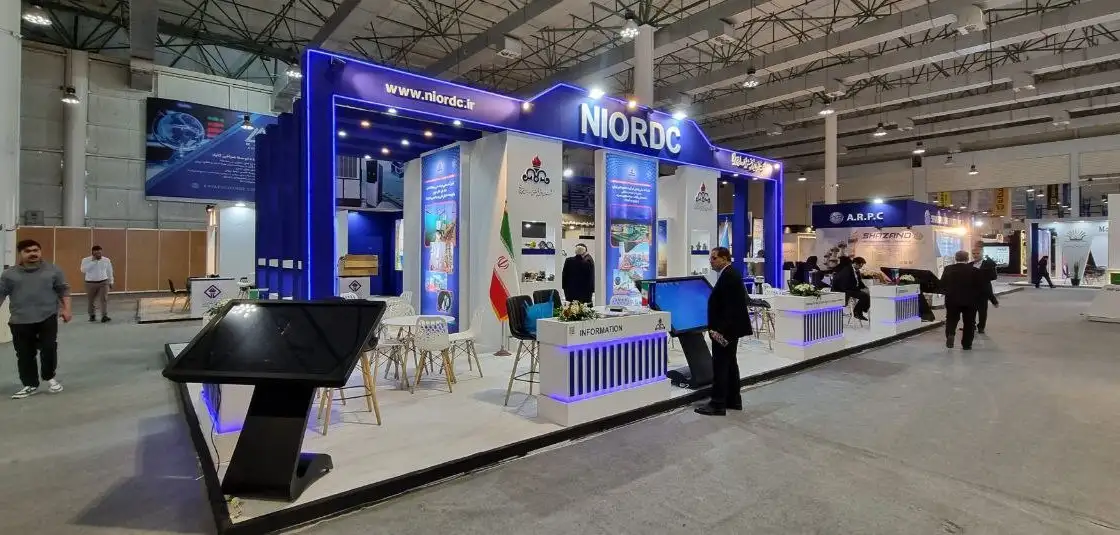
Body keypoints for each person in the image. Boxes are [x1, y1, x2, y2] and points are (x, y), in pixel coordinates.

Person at [0, 239, 72, 399]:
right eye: (28, 251)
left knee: (49, 348)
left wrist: (67, 309)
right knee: (25, 354)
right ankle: (30, 384)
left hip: (47, 317)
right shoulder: (9, 274)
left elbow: (63, 289)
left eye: (35, 250)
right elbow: (1, 293)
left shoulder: (53, 270)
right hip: (20, 320)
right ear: (20, 254)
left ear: (40, 251)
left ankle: (49, 377)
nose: (33, 253)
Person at [695, 247, 752, 416]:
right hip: (729, 330)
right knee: (730, 364)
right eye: (711, 258)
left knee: (720, 365)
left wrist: (719, 331)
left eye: (714, 258)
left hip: (724, 331)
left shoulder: (729, 276)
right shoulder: (729, 274)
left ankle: (718, 403)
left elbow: (731, 308)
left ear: (725, 258)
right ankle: (733, 400)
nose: (711, 261)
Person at [940, 250, 992, 350]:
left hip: (952, 300)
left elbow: (942, 284)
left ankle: (950, 334)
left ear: (955, 258)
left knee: (951, 319)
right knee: (969, 322)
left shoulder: (948, 269)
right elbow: (982, 287)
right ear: (967, 259)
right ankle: (966, 344)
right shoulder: (975, 271)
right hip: (970, 301)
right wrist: (991, 299)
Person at [80, 245, 114, 323]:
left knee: (104, 299)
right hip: (90, 283)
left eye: (100, 253)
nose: (99, 254)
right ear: (93, 253)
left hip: (103, 282)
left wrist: (111, 281)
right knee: (91, 300)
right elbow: (83, 270)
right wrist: (93, 262)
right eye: (97, 253)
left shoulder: (106, 260)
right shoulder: (86, 260)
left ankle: (104, 316)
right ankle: (92, 315)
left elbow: (109, 271)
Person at [831, 256, 870, 321]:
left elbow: (859, 281)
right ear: (855, 263)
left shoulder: (856, 270)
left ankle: (860, 311)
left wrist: (865, 288)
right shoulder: (847, 270)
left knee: (867, 294)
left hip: (852, 288)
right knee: (864, 296)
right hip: (844, 290)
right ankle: (857, 312)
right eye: (860, 265)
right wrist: (859, 289)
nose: (861, 267)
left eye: (862, 265)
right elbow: (846, 284)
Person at [975, 255, 998, 333]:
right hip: (971, 293)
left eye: (977, 253)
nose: (975, 255)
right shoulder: (970, 264)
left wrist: (993, 300)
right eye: (973, 253)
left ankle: (981, 327)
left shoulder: (987, 264)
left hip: (982, 293)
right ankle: (971, 325)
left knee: (982, 311)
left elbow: (989, 282)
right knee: (970, 311)